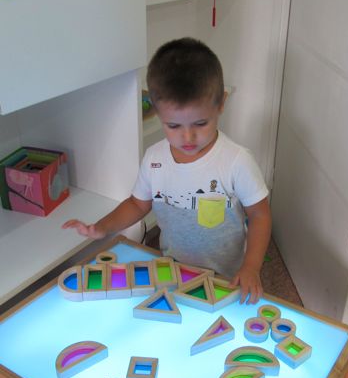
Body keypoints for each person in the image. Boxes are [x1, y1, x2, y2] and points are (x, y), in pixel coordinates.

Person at [62, 38, 271, 304]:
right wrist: (103, 227)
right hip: (173, 270)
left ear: (221, 104)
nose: (188, 137)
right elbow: (138, 205)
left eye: (200, 123)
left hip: (225, 277)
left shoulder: (237, 161)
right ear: (158, 114)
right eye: (173, 126)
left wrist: (251, 266)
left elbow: (259, 214)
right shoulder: (154, 159)